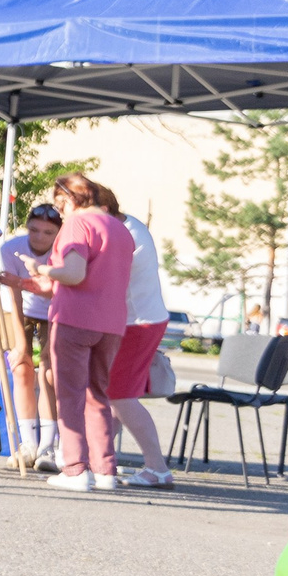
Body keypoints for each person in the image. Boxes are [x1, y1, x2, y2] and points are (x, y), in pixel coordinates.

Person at [9, 173, 134, 491]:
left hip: (75, 319)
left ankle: (76, 469)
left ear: (67, 200)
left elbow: (74, 275)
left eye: (59, 203)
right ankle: (105, 469)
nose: (59, 211)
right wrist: (28, 282)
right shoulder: (119, 228)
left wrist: (40, 269)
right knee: (97, 396)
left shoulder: (77, 225)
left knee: (70, 394)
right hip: (112, 323)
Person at [108, 196, 175, 489]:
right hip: (139, 319)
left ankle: (157, 467)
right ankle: (96, 457)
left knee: (120, 396)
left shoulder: (124, 234)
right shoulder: (130, 226)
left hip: (137, 322)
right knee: (115, 396)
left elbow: (102, 277)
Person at [0, 204, 62, 466]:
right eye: (34, 230)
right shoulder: (10, 248)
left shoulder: (63, 251)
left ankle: (48, 445)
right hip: (20, 308)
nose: (39, 237)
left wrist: (21, 283)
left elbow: (57, 292)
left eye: (47, 232)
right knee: (21, 367)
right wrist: (20, 343)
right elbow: (13, 293)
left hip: (55, 310)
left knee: (49, 371)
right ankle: (28, 442)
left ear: (57, 233)